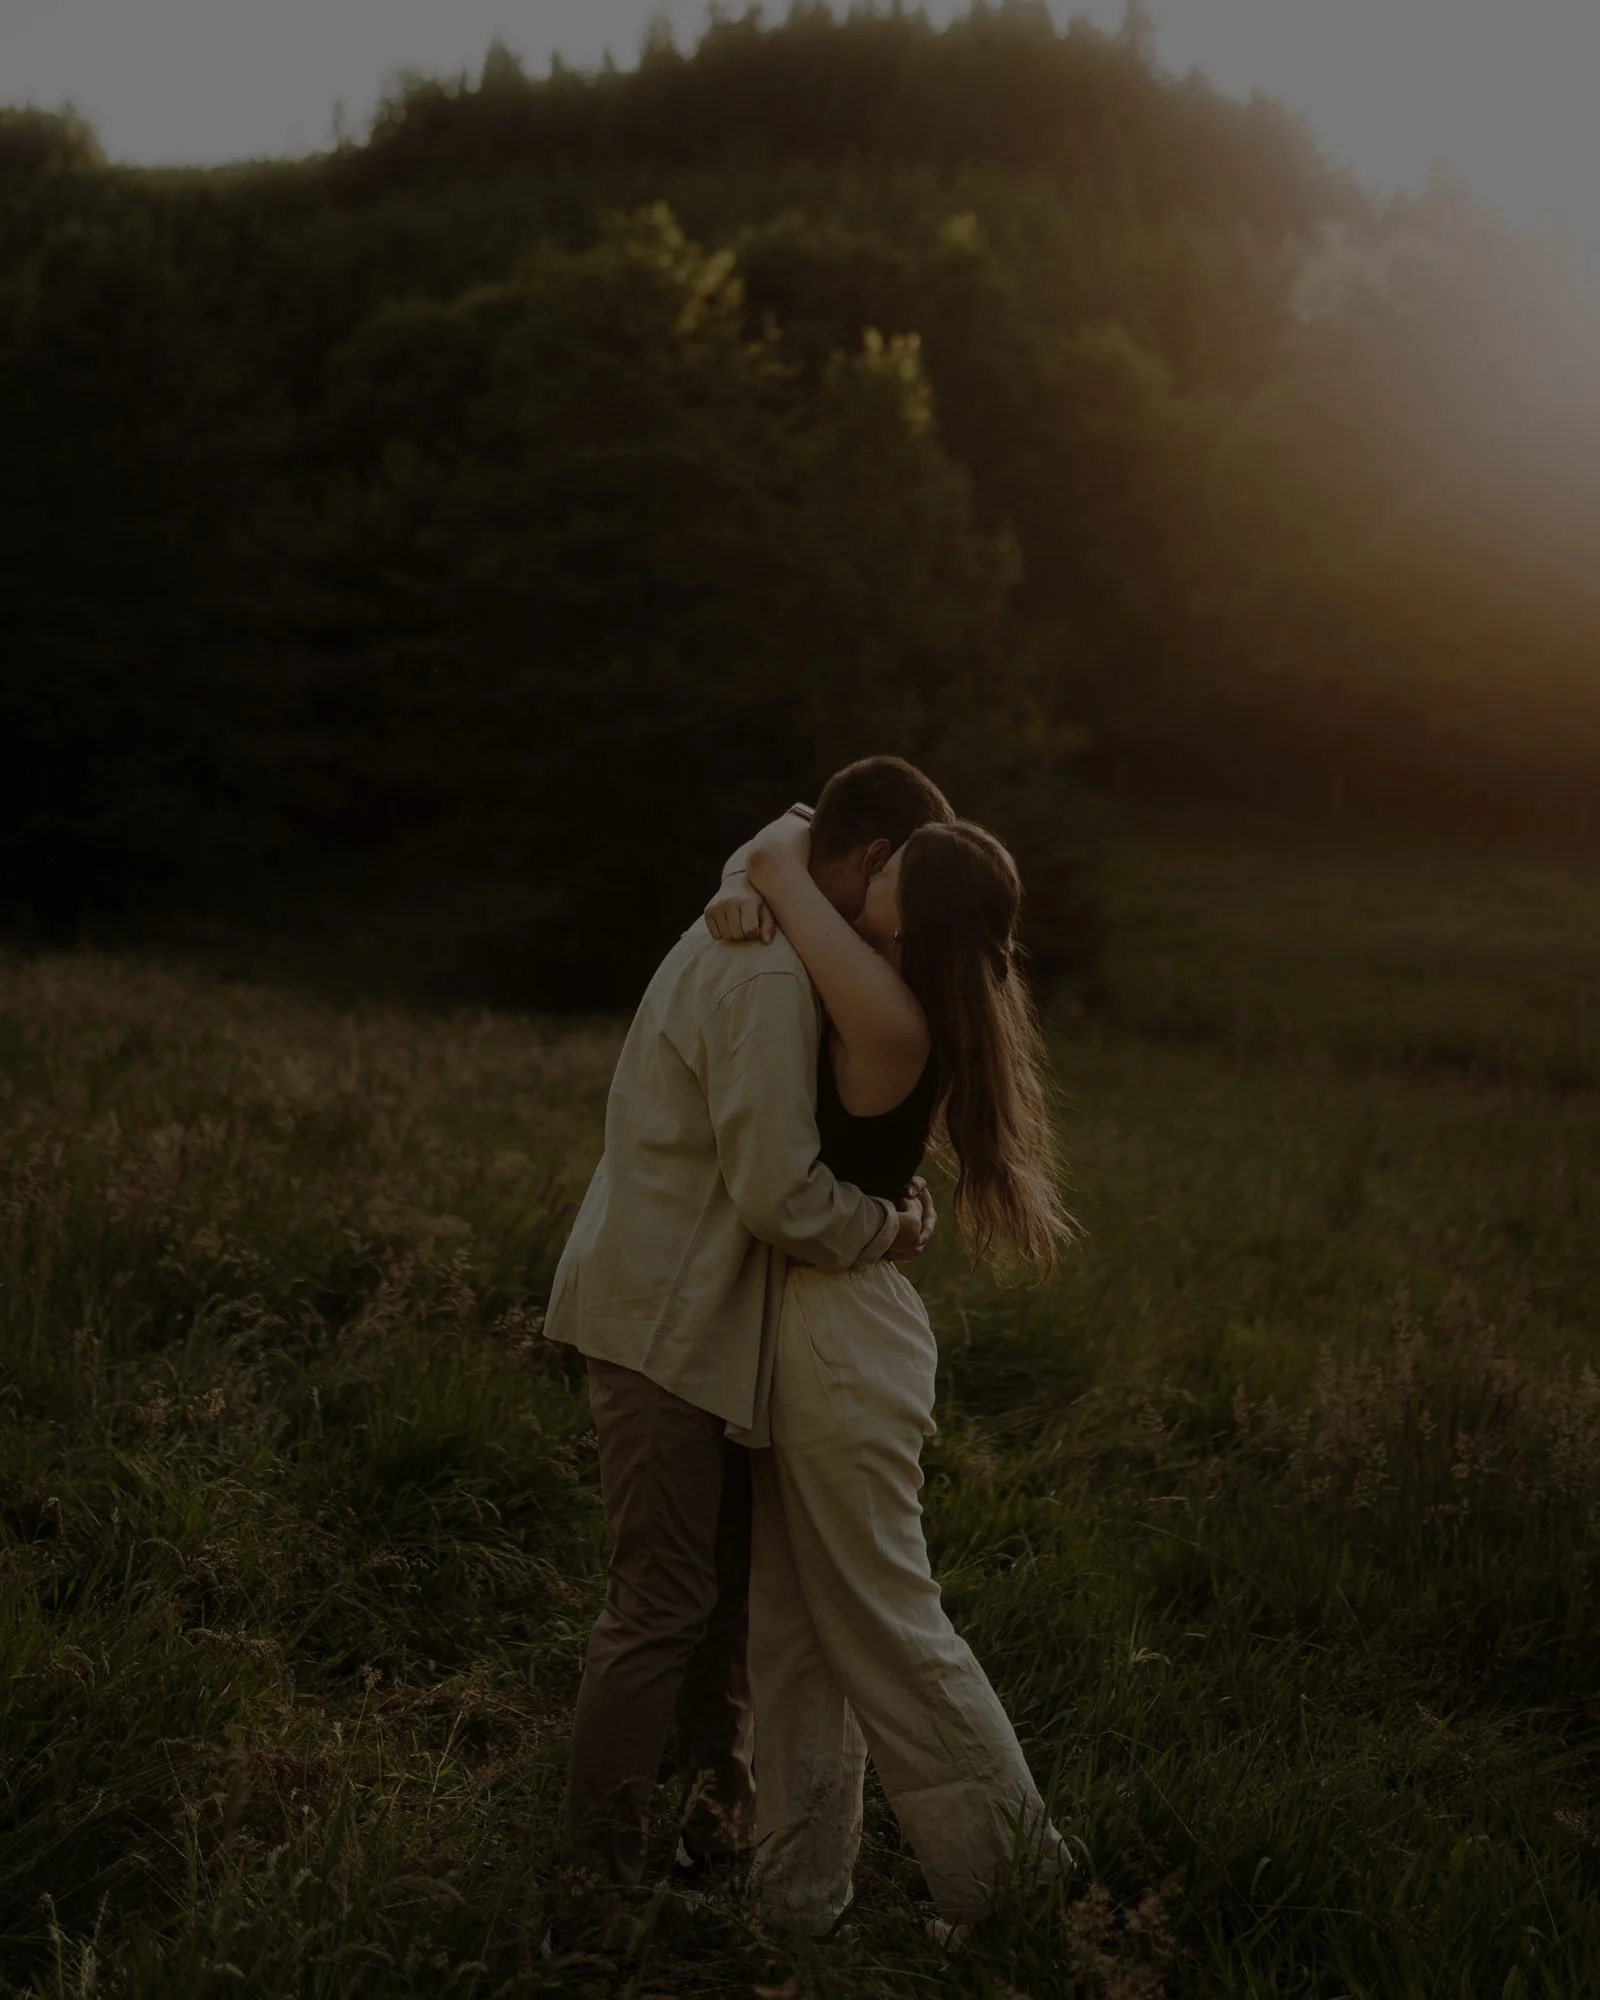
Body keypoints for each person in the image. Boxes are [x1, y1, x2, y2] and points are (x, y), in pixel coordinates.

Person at [542, 756, 955, 1914]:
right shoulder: (772, 971)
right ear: (872, 864)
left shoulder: (778, 906)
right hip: (665, 1316)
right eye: (905, 887)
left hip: (705, 1313)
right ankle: (594, 1890)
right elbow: (778, 1192)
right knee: (663, 1602)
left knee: (721, 1599)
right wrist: (885, 1223)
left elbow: (784, 831)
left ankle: (716, 1829)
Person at [702, 802, 1075, 1943]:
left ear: (915, 917)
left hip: (838, 1336)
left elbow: (777, 845)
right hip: (821, 1325)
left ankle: (1016, 1877)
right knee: (795, 1632)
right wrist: (747, 881)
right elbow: (786, 845)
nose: (872, 864)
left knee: (882, 1620)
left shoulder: (889, 1009)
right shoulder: (896, 983)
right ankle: (796, 1900)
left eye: (895, 867)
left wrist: (749, 878)